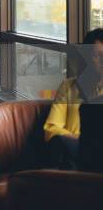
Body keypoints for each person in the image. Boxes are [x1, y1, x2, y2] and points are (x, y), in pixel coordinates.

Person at [44, 28, 103, 170]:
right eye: (98, 55)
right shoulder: (68, 87)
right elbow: (51, 128)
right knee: (63, 146)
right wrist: (75, 141)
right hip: (71, 151)